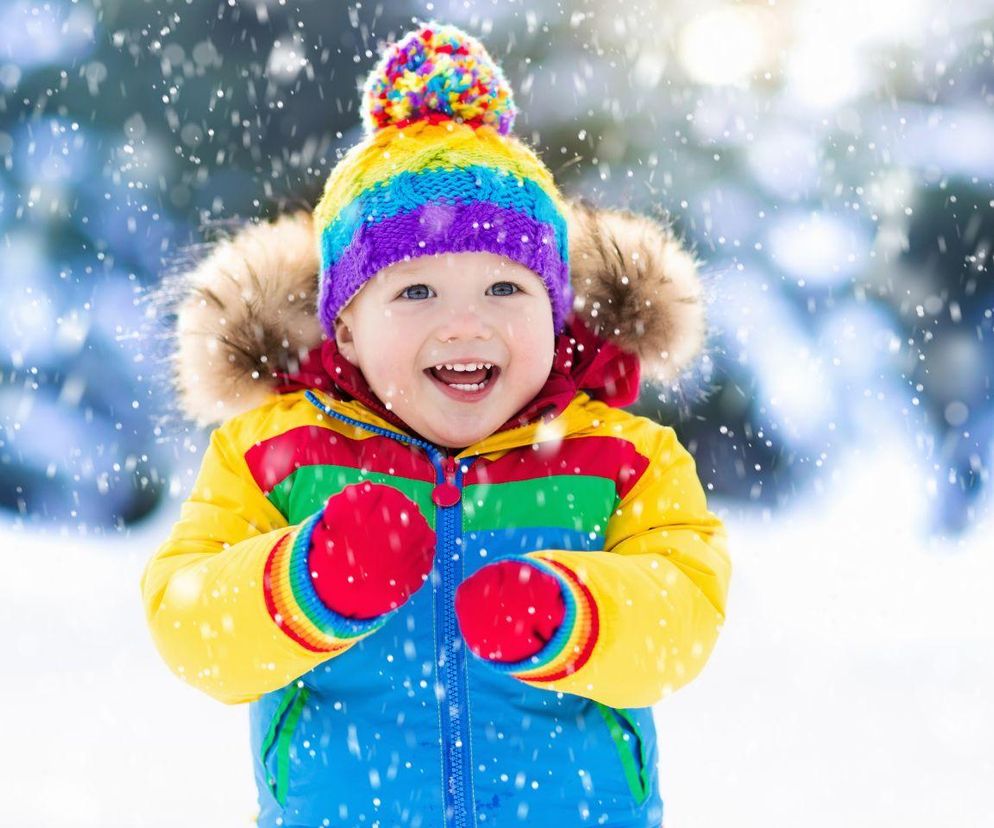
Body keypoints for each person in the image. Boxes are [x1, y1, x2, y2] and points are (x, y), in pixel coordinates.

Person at [141, 22, 731, 828]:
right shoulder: (274, 456)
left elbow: (685, 612)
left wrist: (574, 616)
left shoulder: (619, 458)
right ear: (345, 328)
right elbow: (188, 620)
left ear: (558, 317)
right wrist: (304, 585)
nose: (464, 325)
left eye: (504, 290)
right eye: (415, 293)